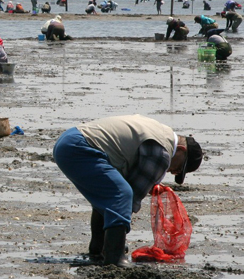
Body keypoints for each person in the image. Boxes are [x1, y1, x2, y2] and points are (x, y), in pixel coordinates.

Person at [53, 114, 203, 266]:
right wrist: (118, 238)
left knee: (110, 194)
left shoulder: (160, 131)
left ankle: (97, 250)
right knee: (121, 194)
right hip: (80, 148)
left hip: (68, 140)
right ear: (181, 150)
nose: (173, 172)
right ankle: (114, 258)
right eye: (179, 167)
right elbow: (129, 197)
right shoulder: (162, 153)